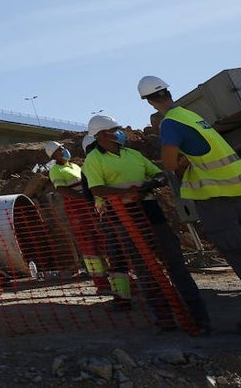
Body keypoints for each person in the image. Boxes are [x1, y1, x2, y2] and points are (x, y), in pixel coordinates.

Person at [83, 115, 210, 334]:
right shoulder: (93, 159)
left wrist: (156, 180)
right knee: (144, 270)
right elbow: (96, 190)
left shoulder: (133, 153)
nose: (120, 132)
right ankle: (164, 319)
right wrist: (128, 193)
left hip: (152, 213)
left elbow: (157, 172)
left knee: (175, 264)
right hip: (124, 218)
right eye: (115, 129)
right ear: (103, 134)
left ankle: (198, 317)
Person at [139, 75, 241, 290]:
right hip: (235, 187)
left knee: (236, 249)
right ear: (168, 93)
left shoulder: (170, 123)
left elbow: (170, 162)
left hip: (216, 193)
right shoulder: (189, 115)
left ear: (149, 101)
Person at [44, 141, 110, 294]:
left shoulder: (75, 166)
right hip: (77, 212)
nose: (64, 151)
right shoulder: (56, 170)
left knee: (103, 242)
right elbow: (62, 190)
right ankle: (101, 284)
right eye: (60, 150)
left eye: (63, 148)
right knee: (89, 246)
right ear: (54, 155)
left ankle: (114, 276)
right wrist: (83, 197)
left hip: (90, 208)